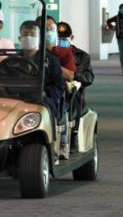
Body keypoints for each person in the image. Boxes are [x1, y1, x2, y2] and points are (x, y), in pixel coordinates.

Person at [17, 20, 64, 150]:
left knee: (47, 105)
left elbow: (59, 86)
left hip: (41, 97)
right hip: (17, 97)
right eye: (25, 34)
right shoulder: (12, 61)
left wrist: (44, 93)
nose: (28, 37)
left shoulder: (51, 60)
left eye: (32, 34)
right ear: (19, 38)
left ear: (39, 38)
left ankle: (51, 144)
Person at [37, 15, 77, 159]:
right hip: (35, 90)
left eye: (50, 28)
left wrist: (53, 65)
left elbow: (70, 76)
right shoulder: (33, 52)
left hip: (57, 91)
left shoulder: (64, 52)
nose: (48, 31)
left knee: (57, 105)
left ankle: (63, 142)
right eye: (45, 29)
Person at [57, 21, 95, 154]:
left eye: (64, 39)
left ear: (71, 38)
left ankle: (74, 134)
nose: (61, 42)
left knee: (74, 95)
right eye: (59, 39)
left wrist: (74, 76)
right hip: (59, 89)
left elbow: (89, 78)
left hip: (76, 93)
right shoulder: (51, 54)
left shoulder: (82, 56)